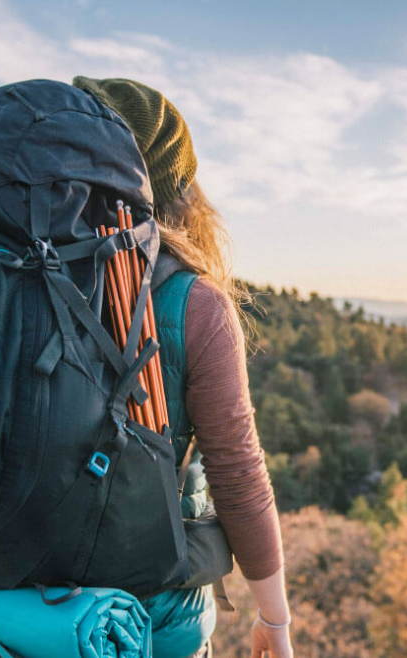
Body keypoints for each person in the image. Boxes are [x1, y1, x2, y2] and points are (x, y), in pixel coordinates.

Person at [72, 76, 294, 658]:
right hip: (142, 613)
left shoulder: (1, 276)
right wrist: (275, 619)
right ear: (175, 191)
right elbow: (238, 475)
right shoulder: (192, 302)